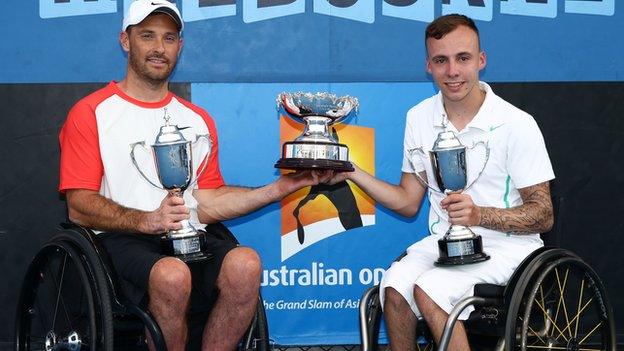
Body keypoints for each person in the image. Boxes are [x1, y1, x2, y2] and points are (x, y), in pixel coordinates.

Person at [58, 1, 331, 350]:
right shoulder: (91, 112)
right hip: (120, 238)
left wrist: (281, 187)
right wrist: (146, 221)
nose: (159, 48)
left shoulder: (197, 119)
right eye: (147, 36)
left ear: (180, 47)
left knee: (245, 264)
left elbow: (206, 201)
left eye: (169, 38)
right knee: (172, 275)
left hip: (187, 236)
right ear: (126, 41)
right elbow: (78, 206)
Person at [328, 14, 554, 350]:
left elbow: (544, 215)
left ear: (481, 61)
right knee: (394, 287)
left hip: (510, 247)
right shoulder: (419, 117)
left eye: (462, 58)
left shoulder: (516, 123)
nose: (452, 71)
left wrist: (479, 216)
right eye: (441, 60)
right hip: (444, 244)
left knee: (431, 289)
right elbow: (407, 201)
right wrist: (350, 171)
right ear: (428, 66)